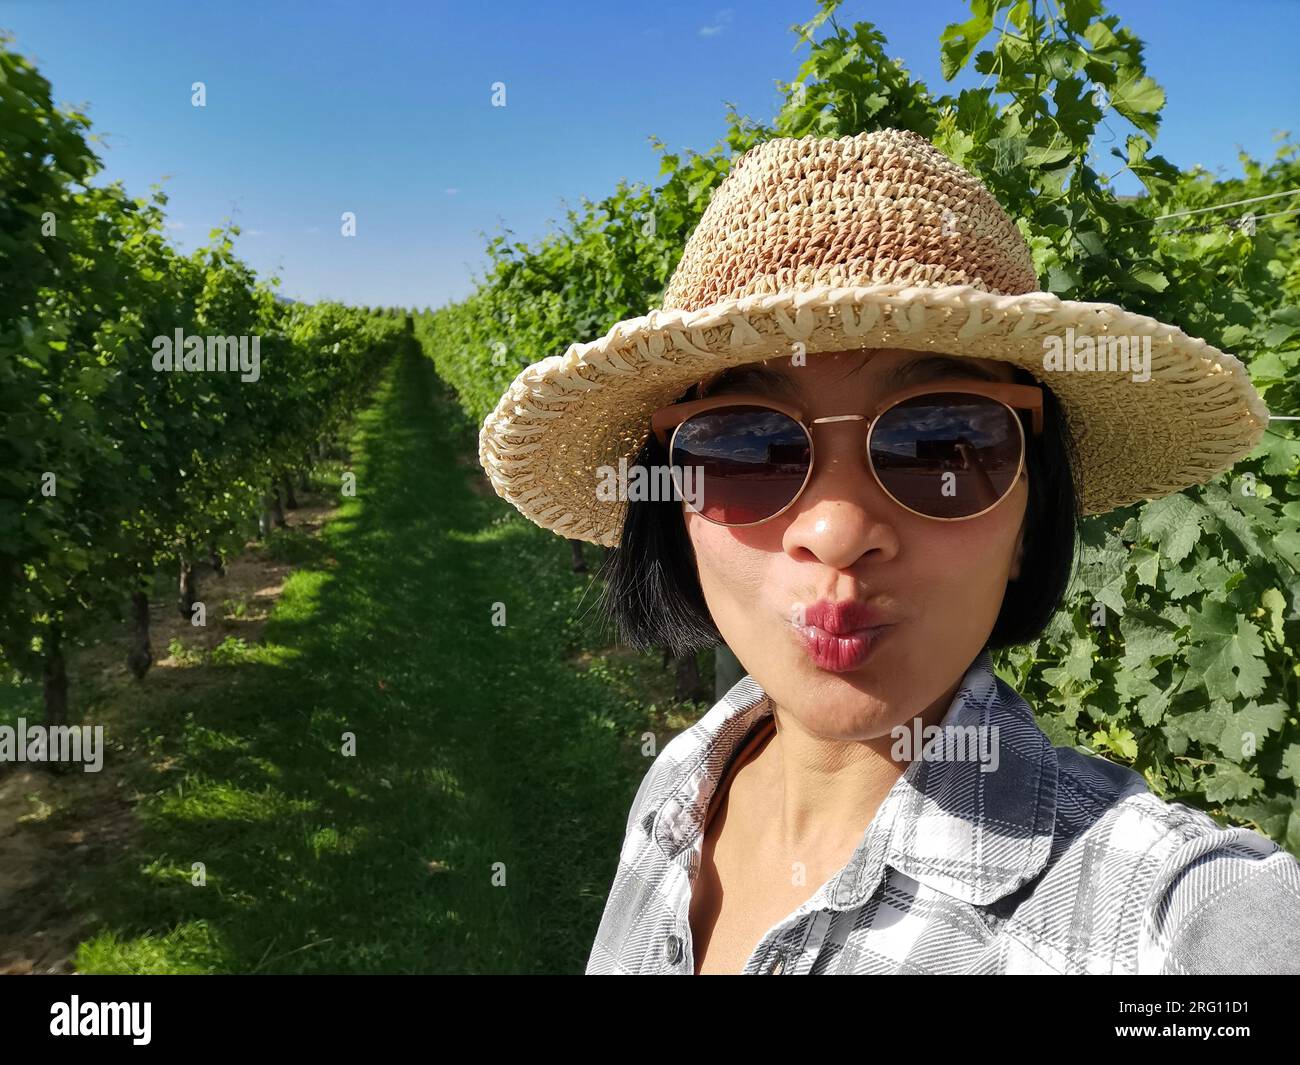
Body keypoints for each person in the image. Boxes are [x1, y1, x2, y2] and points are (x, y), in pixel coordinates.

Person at [478, 127, 1300, 974]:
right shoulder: (681, 785)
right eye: (744, 448)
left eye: (942, 444)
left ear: (1029, 516)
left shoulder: (1163, 917)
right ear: (674, 508)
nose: (836, 530)